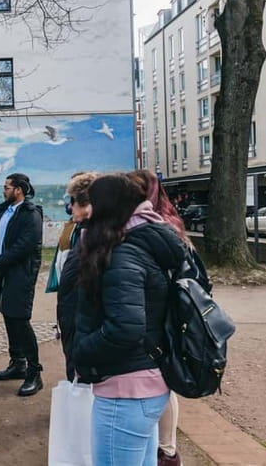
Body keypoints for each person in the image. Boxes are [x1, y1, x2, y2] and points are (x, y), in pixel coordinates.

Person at [72, 174, 185, 466]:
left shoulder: (122, 255)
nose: (87, 210)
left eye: (92, 203)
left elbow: (126, 328)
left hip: (126, 392)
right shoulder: (142, 242)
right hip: (145, 383)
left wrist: (83, 350)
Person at [128, 169, 203, 466]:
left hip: (166, 316)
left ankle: (168, 449)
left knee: (164, 382)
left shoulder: (160, 225)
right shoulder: (164, 221)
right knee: (161, 383)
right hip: (161, 313)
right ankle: (163, 448)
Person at [0, 173, 44, 396]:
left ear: (19, 189)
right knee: (8, 315)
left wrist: (0, 261)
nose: (4, 190)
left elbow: (26, 245)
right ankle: (17, 363)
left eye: (7, 187)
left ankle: (34, 372)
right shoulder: (4, 211)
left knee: (20, 319)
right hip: (3, 271)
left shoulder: (31, 213)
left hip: (21, 273)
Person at [46, 171, 98, 381]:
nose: (70, 206)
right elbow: (62, 257)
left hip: (81, 312)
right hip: (70, 308)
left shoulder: (98, 237)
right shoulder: (75, 228)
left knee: (82, 366)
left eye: (73, 200)